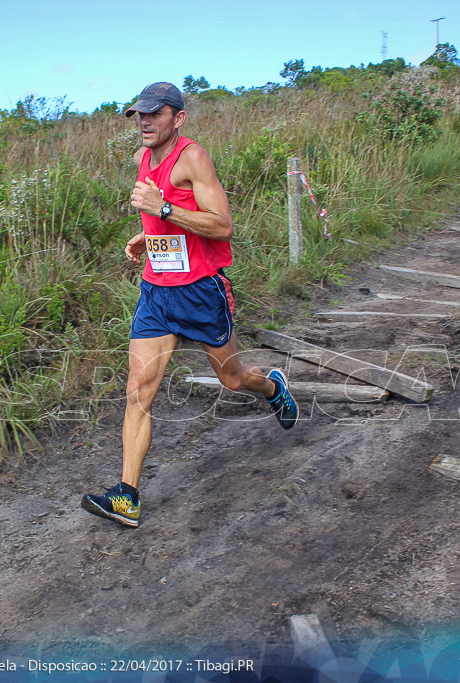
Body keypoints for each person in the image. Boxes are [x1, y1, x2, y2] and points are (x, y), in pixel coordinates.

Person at [80, 82, 299, 528]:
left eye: (154, 114)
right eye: (139, 115)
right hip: (157, 292)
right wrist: (150, 236)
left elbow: (221, 226)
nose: (143, 122)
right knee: (138, 390)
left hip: (200, 291)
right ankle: (127, 496)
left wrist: (162, 213)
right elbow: (168, 212)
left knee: (233, 380)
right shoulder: (145, 157)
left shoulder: (193, 157)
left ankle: (272, 388)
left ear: (177, 118)